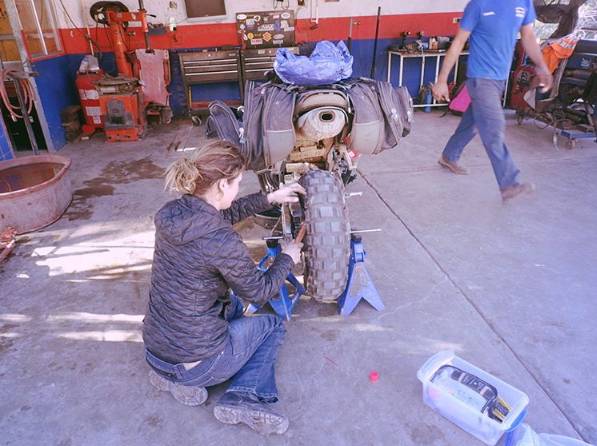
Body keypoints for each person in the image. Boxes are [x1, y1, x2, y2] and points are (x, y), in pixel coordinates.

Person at [142, 140, 305, 435]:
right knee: (272, 324)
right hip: (196, 362)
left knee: (231, 304)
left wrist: (270, 198)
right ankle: (242, 395)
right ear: (220, 185)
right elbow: (258, 291)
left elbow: (220, 215)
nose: (237, 189)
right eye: (237, 183)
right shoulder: (221, 241)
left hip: (155, 352)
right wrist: (287, 258)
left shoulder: (171, 214)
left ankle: (172, 379)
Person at [432, 0, 553, 201]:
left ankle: (449, 156)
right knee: (494, 126)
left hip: (500, 79)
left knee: (474, 122)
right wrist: (442, 80)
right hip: (481, 78)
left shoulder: (523, 3)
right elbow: (459, 42)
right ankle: (508, 183)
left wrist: (542, 66)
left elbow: (529, 36)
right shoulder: (479, 4)